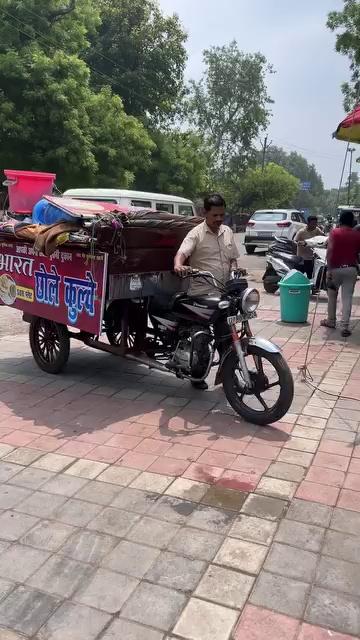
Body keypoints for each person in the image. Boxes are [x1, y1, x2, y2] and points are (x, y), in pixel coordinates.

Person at [174, 193, 240, 389]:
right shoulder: (196, 233)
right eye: (215, 216)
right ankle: (197, 376)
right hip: (201, 294)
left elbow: (233, 257)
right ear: (205, 213)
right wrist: (179, 266)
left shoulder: (227, 231)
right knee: (201, 338)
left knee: (226, 338)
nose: (219, 219)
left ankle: (229, 375)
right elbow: (181, 253)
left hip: (223, 294)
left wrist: (235, 267)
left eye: (222, 215)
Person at [320, 210, 360, 337]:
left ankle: (331, 321)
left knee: (332, 295)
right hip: (351, 269)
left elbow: (330, 250)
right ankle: (345, 326)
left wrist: (329, 269)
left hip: (335, 269)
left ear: (340, 220)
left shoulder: (334, 232)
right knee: (347, 298)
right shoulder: (357, 235)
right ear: (352, 222)